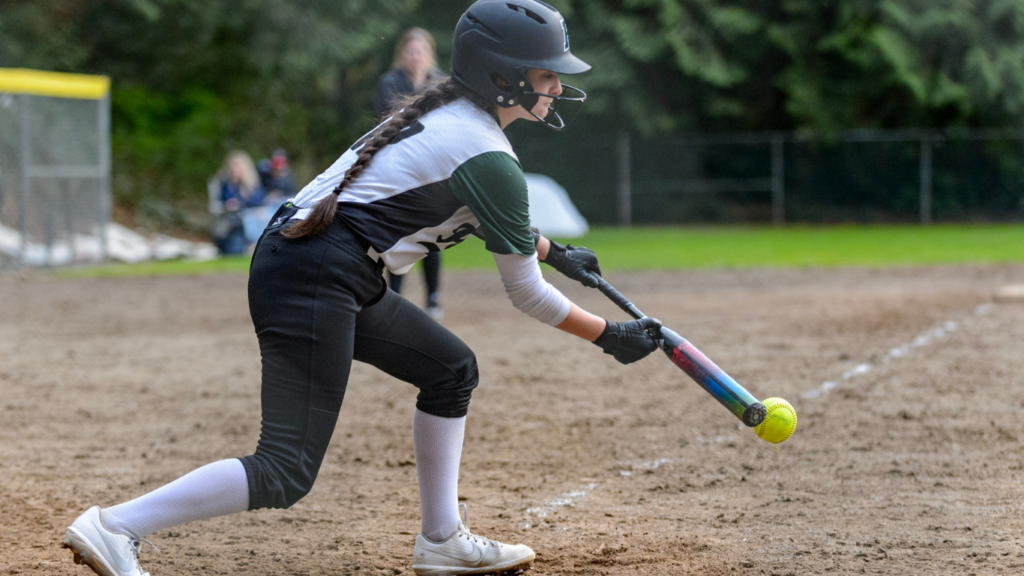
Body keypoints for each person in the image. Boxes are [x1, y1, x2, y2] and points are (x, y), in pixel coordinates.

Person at [61, 2, 662, 575]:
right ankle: (114, 526)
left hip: (319, 264)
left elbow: (472, 212)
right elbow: (525, 294)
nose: (556, 86)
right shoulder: (488, 155)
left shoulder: (451, 116)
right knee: (285, 469)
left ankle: (442, 540)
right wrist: (606, 334)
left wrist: (555, 252)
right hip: (317, 271)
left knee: (451, 370)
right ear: (502, 76)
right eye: (546, 74)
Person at [376, 27, 446, 319]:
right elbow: (389, 118)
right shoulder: (390, 82)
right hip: (401, 164)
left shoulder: (440, 80)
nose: (416, 56)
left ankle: (432, 297)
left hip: (432, 165)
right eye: (411, 51)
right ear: (402, 54)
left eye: (421, 51)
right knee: (399, 230)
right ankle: (395, 296)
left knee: (433, 230)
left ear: (428, 54)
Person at [212, 150, 267, 254]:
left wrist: (243, 196)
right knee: (233, 249)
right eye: (233, 167)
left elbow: (259, 201)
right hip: (233, 221)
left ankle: (254, 244)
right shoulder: (226, 184)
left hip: (250, 220)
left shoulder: (251, 185)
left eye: (238, 167)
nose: (235, 170)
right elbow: (221, 201)